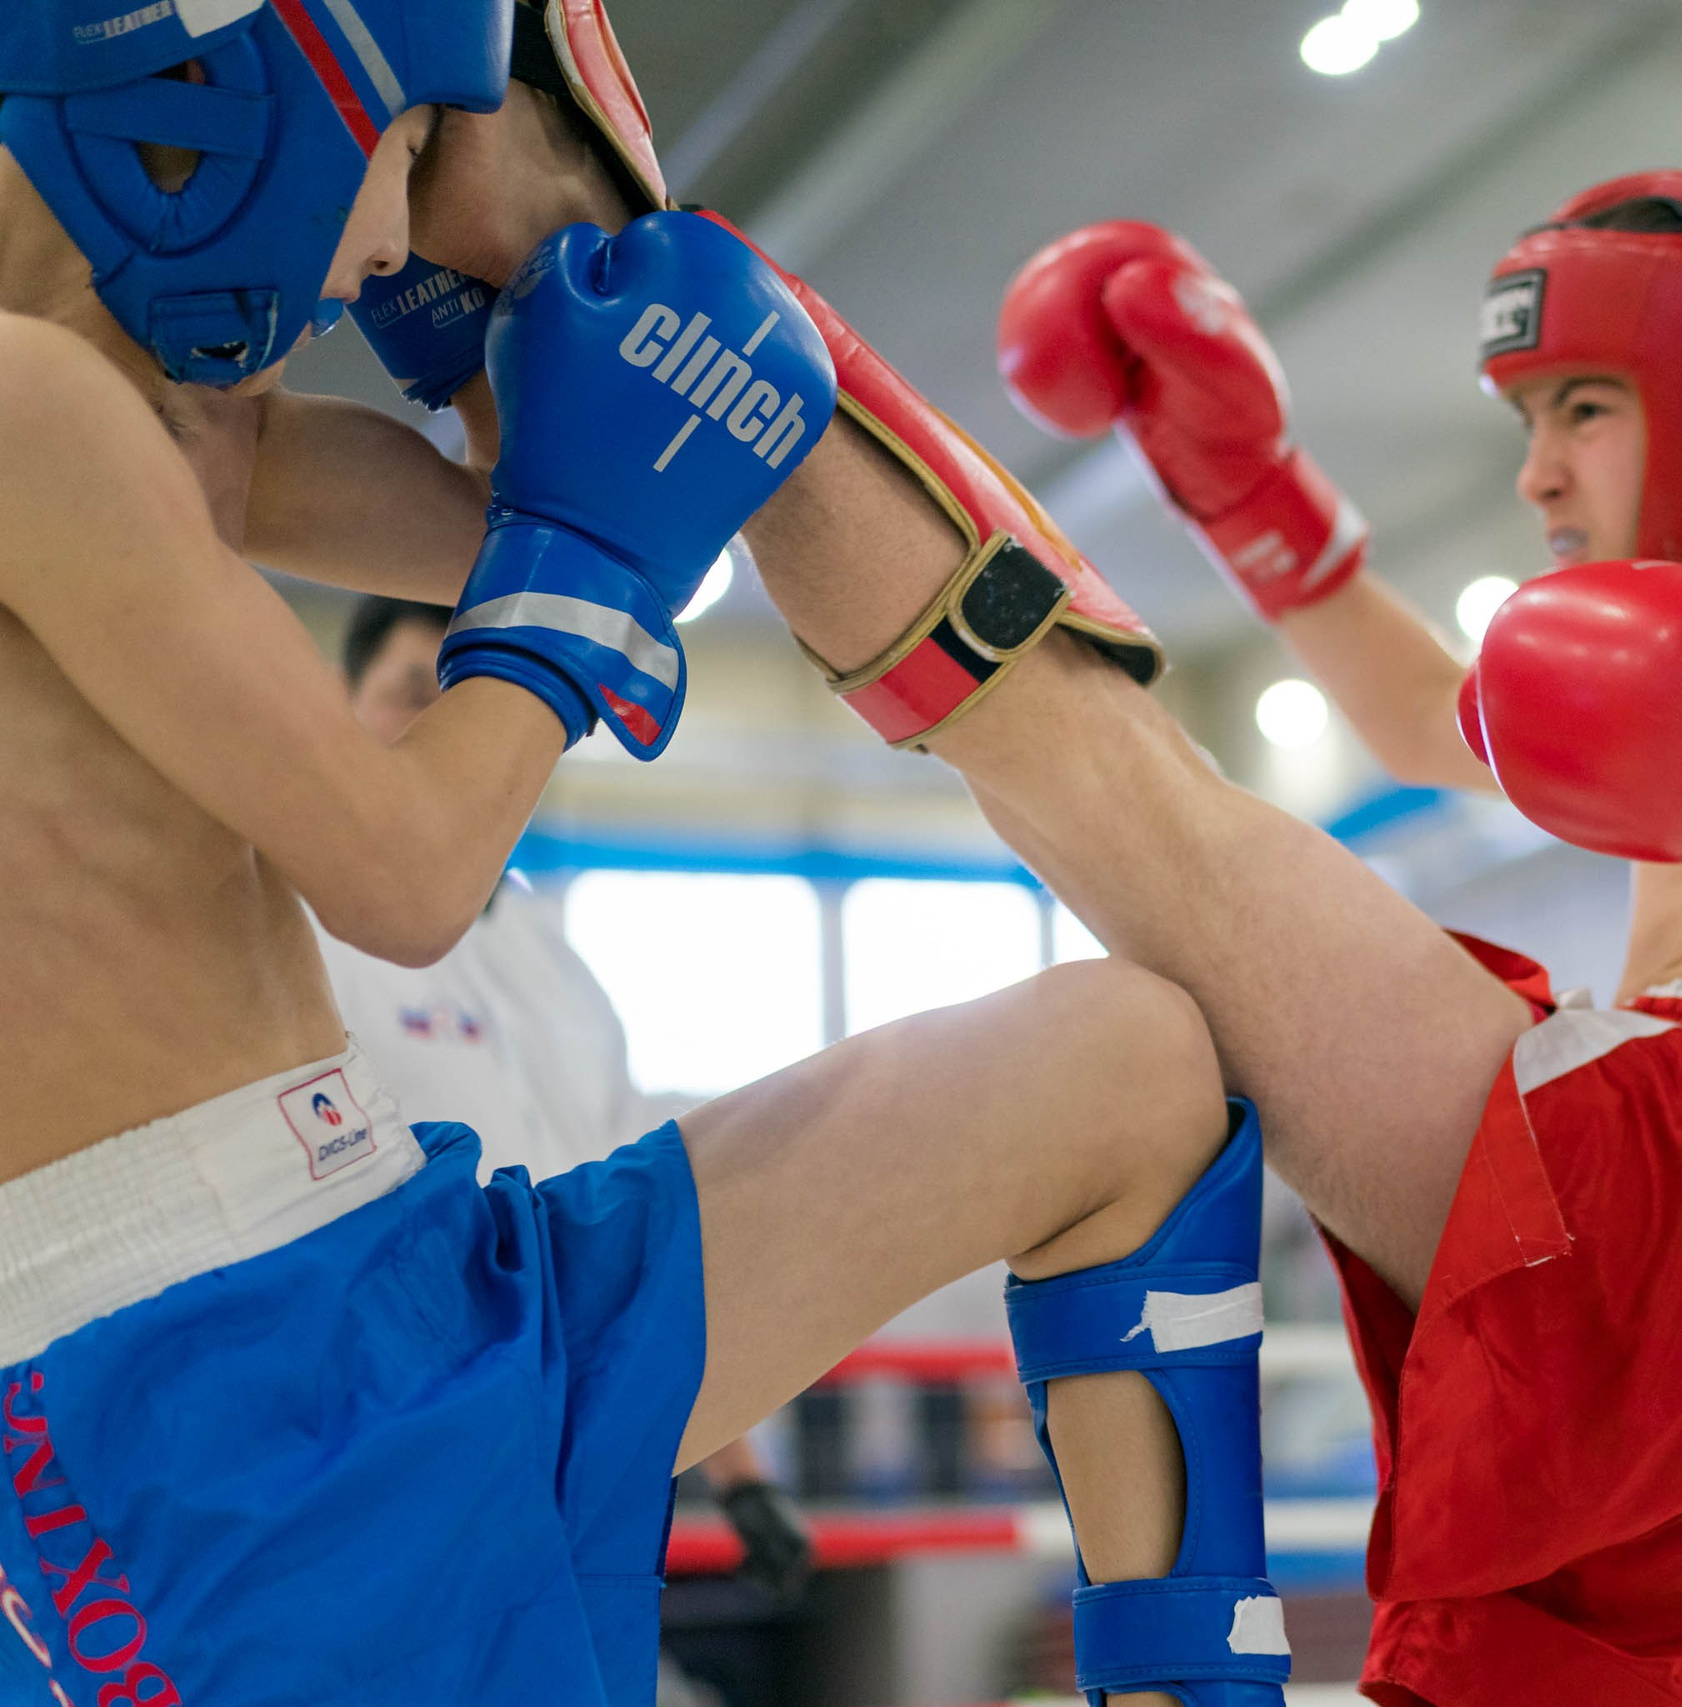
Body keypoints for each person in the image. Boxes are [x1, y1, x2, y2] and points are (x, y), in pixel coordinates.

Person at [353, 52, 1682, 1704]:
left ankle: (678, 328)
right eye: (1533, 415)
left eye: (1582, 406)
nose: (1539, 466)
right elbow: (1424, 713)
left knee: (1115, 795)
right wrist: (1235, 474)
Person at [0, 8, 1284, 1707]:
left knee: (1124, 1068)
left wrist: (518, 335)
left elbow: (533, 521)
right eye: (390, 154)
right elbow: (402, 870)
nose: (381, 246)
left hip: (397, 1261)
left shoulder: (136, 415)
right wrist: (580, 571)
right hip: (211, 1421)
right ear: (247, 87)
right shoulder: (23, 410)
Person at [331, 593, 814, 1614]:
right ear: (341, 712)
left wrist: (744, 1475)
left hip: (582, 1421)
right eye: (406, 694)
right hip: (392, 1424)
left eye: (462, 704)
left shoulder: (557, 962)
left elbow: (641, 1210)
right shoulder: (304, 928)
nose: (434, 729)